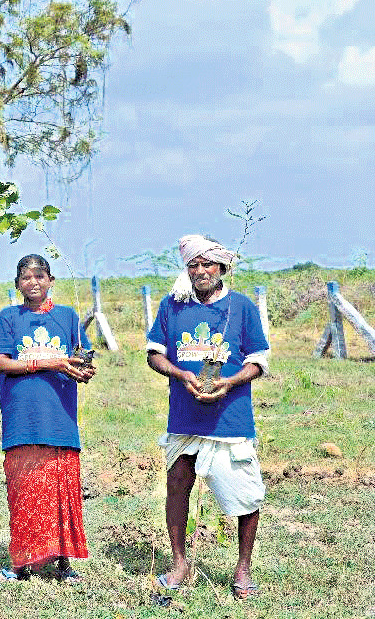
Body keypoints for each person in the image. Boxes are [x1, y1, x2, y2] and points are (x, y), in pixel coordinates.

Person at [147, 235, 269, 600]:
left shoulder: (241, 307)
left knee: (246, 496)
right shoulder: (172, 306)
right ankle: (179, 563)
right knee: (177, 486)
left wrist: (230, 382)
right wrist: (181, 375)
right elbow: (154, 353)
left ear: (221, 267)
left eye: (207, 264)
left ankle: (243, 569)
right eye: (193, 265)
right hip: (185, 417)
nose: (200, 271)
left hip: (229, 419)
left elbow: (259, 359)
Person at [0, 254, 94, 583]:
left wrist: (83, 370)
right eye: (26, 277)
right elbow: (0, 364)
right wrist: (51, 363)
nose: (33, 282)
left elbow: (78, 362)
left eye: (40, 276)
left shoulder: (68, 317)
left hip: (59, 419)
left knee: (62, 493)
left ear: (51, 280)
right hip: (22, 419)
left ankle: (62, 563)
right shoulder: (8, 318)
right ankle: (22, 563)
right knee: (25, 490)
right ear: (17, 284)